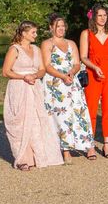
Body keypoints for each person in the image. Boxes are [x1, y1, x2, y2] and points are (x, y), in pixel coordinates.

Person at [2, 21, 64, 171]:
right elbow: (6, 71)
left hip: (34, 86)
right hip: (19, 87)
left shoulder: (36, 49)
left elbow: (42, 69)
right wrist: (23, 77)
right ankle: (22, 158)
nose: (36, 35)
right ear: (24, 33)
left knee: (36, 121)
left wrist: (35, 75)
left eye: (36, 32)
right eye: (33, 33)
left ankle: (37, 156)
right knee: (20, 122)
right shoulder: (14, 49)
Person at [41, 13, 96, 162]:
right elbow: (47, 65)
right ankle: (65, 150)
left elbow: (77, 63)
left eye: (63, 26)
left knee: (79, 112)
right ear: (51, 28)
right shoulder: (47, 44)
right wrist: (62, 76)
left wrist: (71, 73)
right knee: (61, 116)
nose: (61, 29)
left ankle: (88, 145)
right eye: (58, 26)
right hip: (55, 82)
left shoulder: (71, 43)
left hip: (72, 82)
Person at [80, 4, 108, 159]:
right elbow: (83, 56)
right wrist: (94, 67)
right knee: (90, 109)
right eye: (100, 15)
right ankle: (89, 145)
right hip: (93, 72)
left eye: (105, 15)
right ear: (94, 17)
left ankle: (107, 144)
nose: (103, 18)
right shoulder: (86, 33)